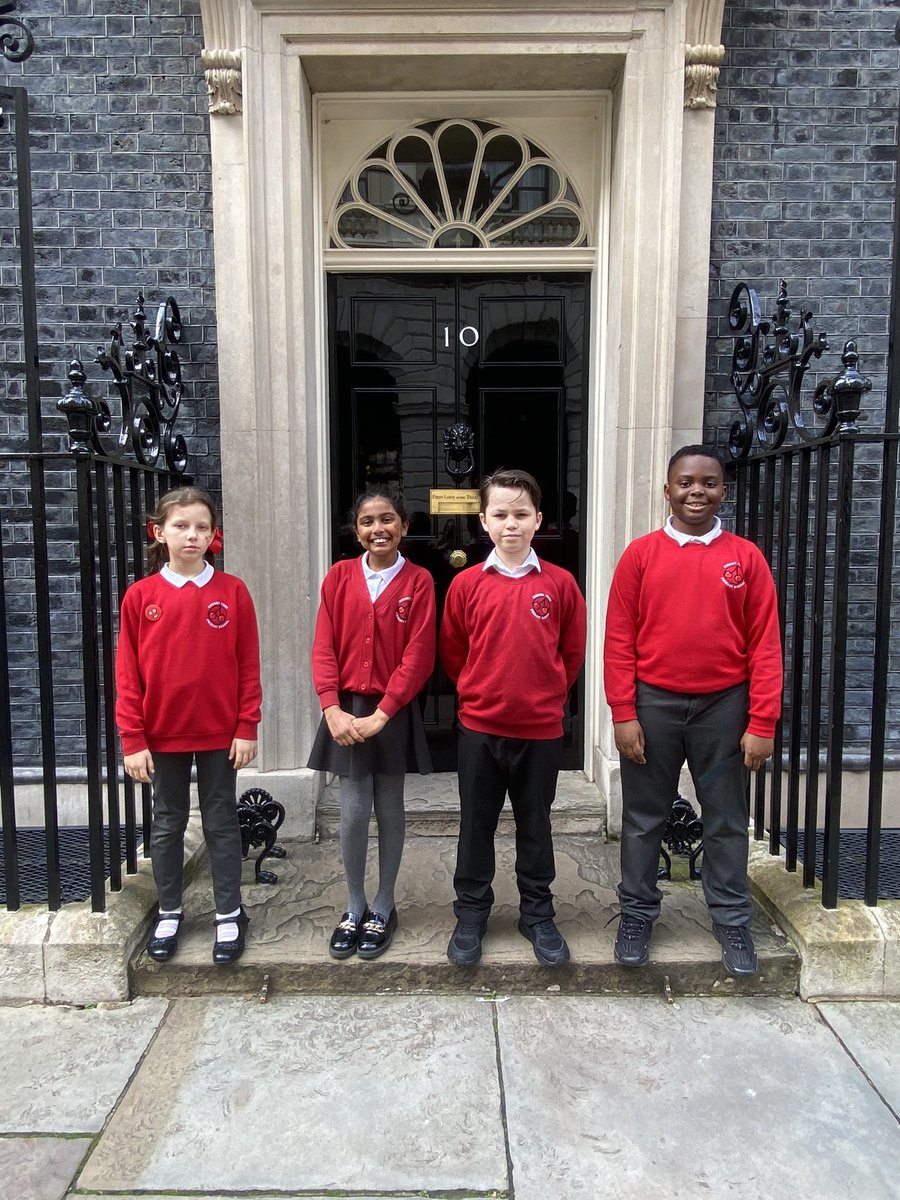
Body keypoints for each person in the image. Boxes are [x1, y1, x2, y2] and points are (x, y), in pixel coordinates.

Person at [603, 445, 783, 976]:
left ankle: (731, 921)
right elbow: (618, 640)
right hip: (653, 704)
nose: (696, 491)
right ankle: (636, 914)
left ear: (723, 490)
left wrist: (762, 721)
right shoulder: (640, 555)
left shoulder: (745, 557)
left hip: (724, 706)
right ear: (667, 490)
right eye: (685, 482)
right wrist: (622, 711)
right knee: (642, 820)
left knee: (726, 821)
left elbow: (765, 645)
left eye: (708, 482)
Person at [440, 468, 587, 967]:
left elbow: (570, 654)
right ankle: (471, 914)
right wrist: (482, 694)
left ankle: (538, 914)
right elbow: (454, 653)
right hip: (480, 729)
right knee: (475, 826)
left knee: (535, 824)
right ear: (484, 521)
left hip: (541, 731)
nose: (510, 524)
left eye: (521, 514)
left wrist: (542, 695)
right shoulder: (465, 585)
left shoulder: (562, 584)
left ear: (538, 520)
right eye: (500, 514)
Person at [115, 486, 262, 966]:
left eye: (202, 526)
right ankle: (170, 912)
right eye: (181, 526)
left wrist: (247, 726)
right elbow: (127, 674)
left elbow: (248, 665)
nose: (192, 535)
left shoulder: (232, 591)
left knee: (221, 821)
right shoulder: (141, 597)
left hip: (220, 733)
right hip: (162, 735)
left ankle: (228, 913)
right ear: (158, 532)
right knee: (167, 824)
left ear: (213, 534)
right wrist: (132, 739)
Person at [308, 490, 436, 960]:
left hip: (392, 710)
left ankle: (384, 903)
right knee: (353, 808)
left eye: (387, 519)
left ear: (403, 525)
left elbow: (419, 654)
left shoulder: (419, 581)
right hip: (344, 707)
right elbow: (323, 646)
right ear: (355, 528)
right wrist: (331, 708)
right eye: (367, 521)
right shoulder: (339, 577)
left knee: (389, 806)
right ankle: (354, 903)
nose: (377, 529)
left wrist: (385, 712)